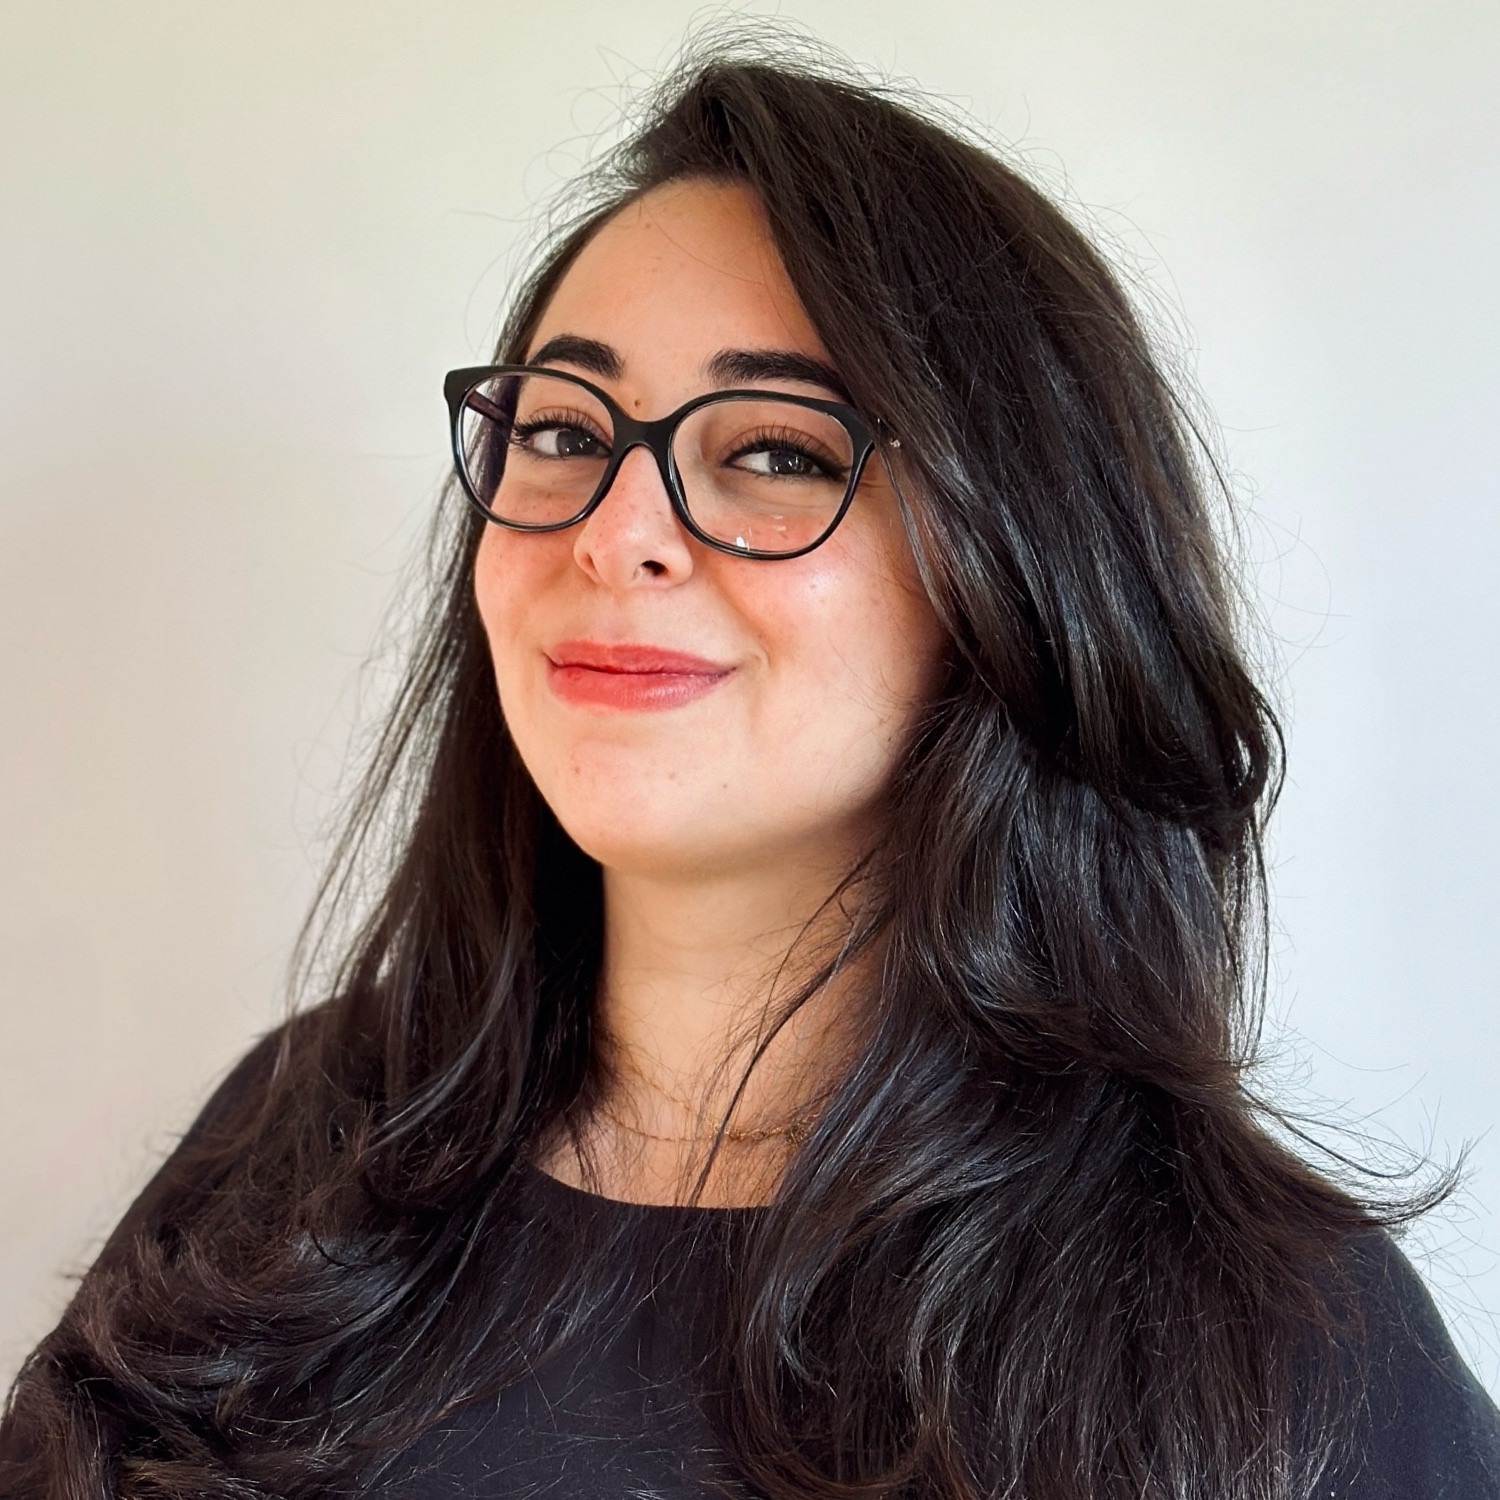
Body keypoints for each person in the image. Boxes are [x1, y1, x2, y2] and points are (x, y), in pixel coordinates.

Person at [3, 39, 1498, 1500]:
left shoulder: (1277, 1342)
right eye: (565, 429)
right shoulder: (302, 1130)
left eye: (776, 450)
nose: (614, 529)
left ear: (1018, 564)